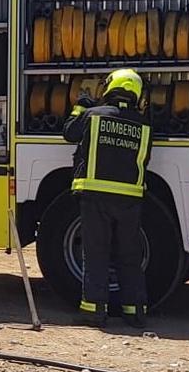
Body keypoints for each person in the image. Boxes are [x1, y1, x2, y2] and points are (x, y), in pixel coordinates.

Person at [61, 66, 154, 328]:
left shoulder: (93, 115)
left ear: (110, 87)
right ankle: (134, 311)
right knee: (129, 255)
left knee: (97, 253)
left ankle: (94, 311)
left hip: (96, 196)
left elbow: (69, 132)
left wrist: (81, 105)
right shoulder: (143, 124)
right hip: (130, 198)